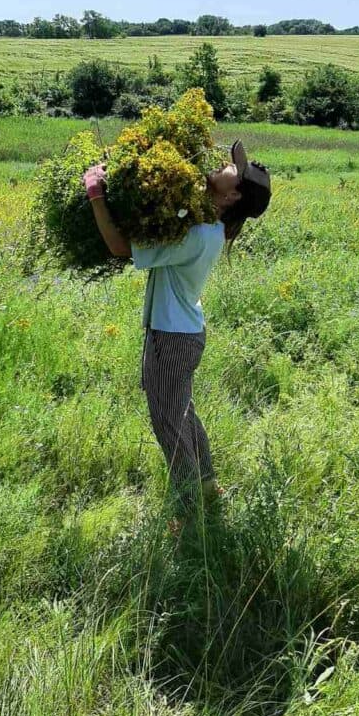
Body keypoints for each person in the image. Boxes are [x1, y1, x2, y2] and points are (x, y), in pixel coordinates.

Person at [83, 140, 271, 534]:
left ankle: (187, 513)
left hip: (172, 338)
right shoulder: (205, 224)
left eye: (231, 169)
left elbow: (119, 246)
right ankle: (208, 488)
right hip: (184, 332)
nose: (223, 163)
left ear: (232, 194)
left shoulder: (199, 233)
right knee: (182, 411)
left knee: (168, 421)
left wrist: (97, 195)